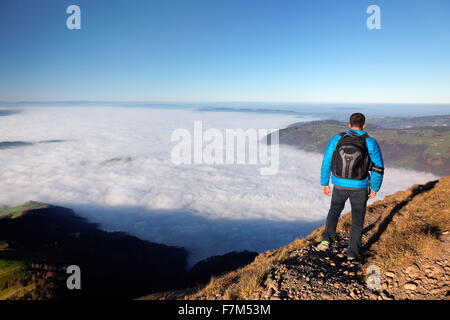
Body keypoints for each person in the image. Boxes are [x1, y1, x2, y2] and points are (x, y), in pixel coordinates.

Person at [317, 113, 384, 260]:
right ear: (364, 125)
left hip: (339, 184)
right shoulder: (370, 142)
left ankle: (326, 240)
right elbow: (378, 167)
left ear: (349, 124)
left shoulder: (337, 139)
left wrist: (324, 183)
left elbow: (327, 161)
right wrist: (375, 187)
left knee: (334, 211)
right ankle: (352, 253)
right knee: (357, 218)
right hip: (360, 186)